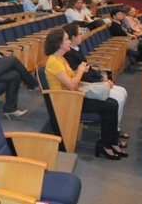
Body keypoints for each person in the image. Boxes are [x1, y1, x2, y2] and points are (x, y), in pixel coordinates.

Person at [43, 28, 123, 160]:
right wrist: (80, 70)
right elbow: (71, 84)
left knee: (112, 103)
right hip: (67, 101)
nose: (70, 42)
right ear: (59, 44)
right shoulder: (53, 62)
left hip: (73, 96)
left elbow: (70, 79)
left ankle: (111, 142)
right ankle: (105, 145)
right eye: (67, 39)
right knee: (110, 106)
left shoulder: (61, 59)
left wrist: (81, 71)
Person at [63, 23, 128, 136]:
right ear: (72, 38)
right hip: (83, 87)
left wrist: (102, 78)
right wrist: (101, 82)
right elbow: (81, 76)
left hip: (91, 82)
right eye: (79, 34)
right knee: (119, 97)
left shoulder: (77, 50)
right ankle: (114, 131)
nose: (82, 35)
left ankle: (115, 128)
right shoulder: (69, 55)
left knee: (123, 91)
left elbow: (89, 68)